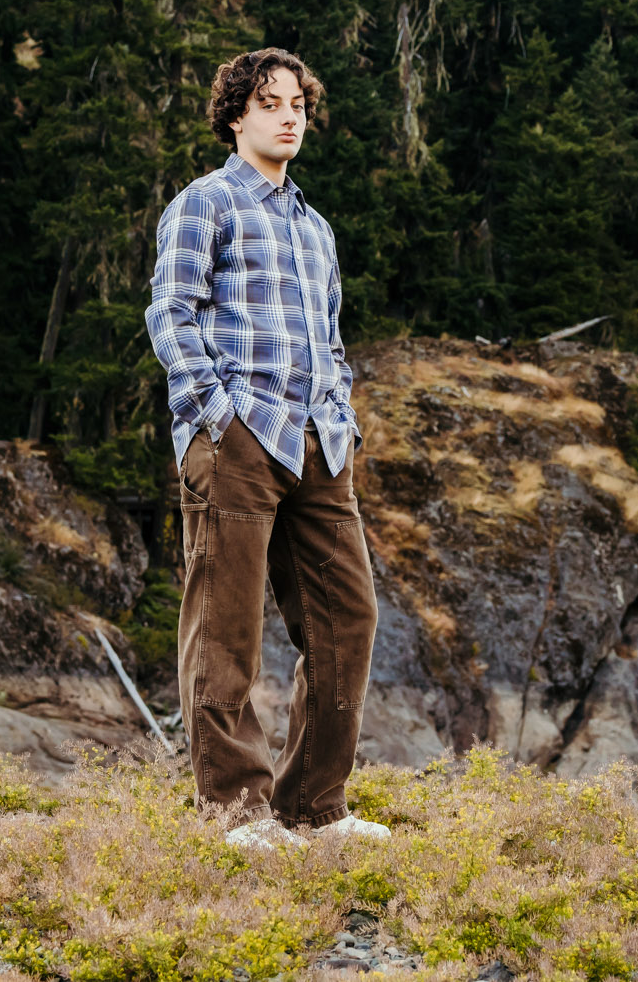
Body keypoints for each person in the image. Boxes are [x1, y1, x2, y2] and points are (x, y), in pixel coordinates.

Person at [144, 48, 388, 848]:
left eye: (299, 105)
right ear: (236, 117)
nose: (289, 116)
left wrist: (340, 416)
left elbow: (333, 337)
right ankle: (239, 815)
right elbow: (170, 317)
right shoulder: (204, 205)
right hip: (239, 440)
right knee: (226, 632)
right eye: (270, 103)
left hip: (320, 442)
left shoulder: (315, 229)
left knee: (347, 618)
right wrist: (216, 417)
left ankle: (314, 807)